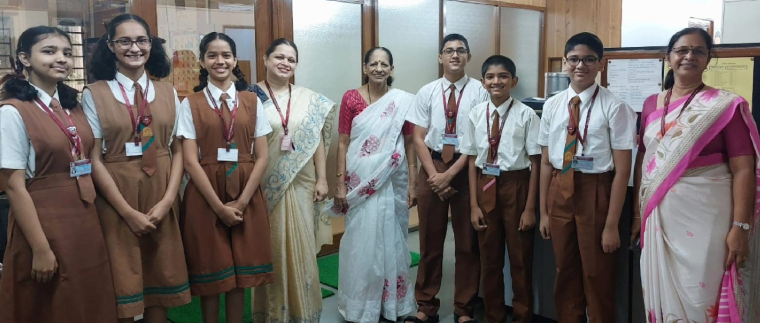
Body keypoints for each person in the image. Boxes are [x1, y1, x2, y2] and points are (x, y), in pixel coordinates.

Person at [631, 27, 760, 323]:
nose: (689, 56)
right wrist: (638, 217)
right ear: (669, 57)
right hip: (658, 218)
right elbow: (645, 161)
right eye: (681, 50)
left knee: (702, 293)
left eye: (698, 51)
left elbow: (743, 169)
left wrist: (740, 227)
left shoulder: (725, 106)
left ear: (708, 59)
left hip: (707, 220)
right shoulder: (651, 103)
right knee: (659, 294)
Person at [0, 26, 118, 323]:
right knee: (52, 304)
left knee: (86, 299)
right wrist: (40, 249)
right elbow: (13, 187)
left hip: (84, 217)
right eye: (49, 51)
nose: (61, 59)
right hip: (44, 222)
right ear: (25, 59)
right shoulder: (12, 112)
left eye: (67, 53)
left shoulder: (71, 105)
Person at [84, 14, 190, 322]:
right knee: (123, 275)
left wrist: (169, 200)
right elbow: (94, 158)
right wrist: (126, 211)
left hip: (161, 190)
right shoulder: (95, 93)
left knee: (160, 274)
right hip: (117, 195)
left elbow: (177, 149)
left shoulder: (169, 92)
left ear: (151, 45)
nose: (134, 48)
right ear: (110, 45)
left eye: (142, 40)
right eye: (125, 41)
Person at [537, 32, 636, 323]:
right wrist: (544, 211)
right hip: (559, 187)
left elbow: (622, 171)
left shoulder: (615, 107)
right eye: (575, 59)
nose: (581, 65)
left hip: (596, 191)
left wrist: (611, 226)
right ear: (565, 63)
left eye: (589, 59)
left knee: (596, 272)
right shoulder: (553, 105)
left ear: (601, 64)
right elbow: (545, 163)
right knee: (564, 269)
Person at [178, 32, 274, 323]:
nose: (219, 61)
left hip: (246, 191)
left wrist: (242, 202)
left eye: (226, 55)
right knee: (211, 272)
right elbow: (189, 161)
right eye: (212, 55)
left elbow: (263, 156)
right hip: (205, 196)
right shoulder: (190, 103)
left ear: (234, 60)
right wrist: (220, 207)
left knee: (241, 274)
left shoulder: (252, 101)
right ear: (203, 61)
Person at [248, 38, 337, 323]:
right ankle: (272, 314)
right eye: (279, 57)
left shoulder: (308, 98)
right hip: (263, 185)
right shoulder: (248, 97)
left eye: (291, 59)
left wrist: (323, 179)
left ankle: (304, 313)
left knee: (302, 251)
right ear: (265, 59)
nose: (285, 63)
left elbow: (317, 143)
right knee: (270, 249)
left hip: (302, 183)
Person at [328, 47, 418, 322]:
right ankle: (361, 305)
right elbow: (343, 143)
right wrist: (341, 185)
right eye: (374, 64)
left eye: (385, 64)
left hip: (392, 180)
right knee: (360, 240)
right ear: (365, 68)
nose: (379, 68)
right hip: (359, 183)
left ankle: (390, 305)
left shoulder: (401, 101)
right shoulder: (351, 98)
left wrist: (414, 181)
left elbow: (410, 142)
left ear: (392, 69)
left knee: (391, 239)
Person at [404, 33, 489, 323]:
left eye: (461, 50)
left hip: (467, 168)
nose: (455, 55)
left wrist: (450, 175)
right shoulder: (427, 91)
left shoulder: (480, 91)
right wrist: (434, 175)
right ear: (440, 57)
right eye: (449, 51)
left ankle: (464, 309)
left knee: (467, 244)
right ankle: (426, 306)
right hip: (433, 164)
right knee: (430, 242)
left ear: (469, 57)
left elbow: (479, 139)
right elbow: (417, 136)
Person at [462, 55, 540, 323]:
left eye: (503, 76)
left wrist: (530, 208)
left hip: (517, 185)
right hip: (486, 185)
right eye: (491, 77)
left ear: (514, 81)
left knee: (520, 260)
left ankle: (522, 317)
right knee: (489, 259)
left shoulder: (526, 115)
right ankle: (493, 317)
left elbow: (536, 163)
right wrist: (473, 205)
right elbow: (472, 161)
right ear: (483, 82)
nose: (497, 81)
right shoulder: (474, 114)